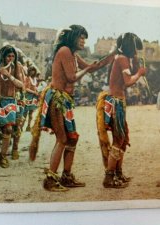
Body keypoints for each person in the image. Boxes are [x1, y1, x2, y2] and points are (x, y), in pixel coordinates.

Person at [29, 25, 114, 191]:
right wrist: (88, 68)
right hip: (57, 99)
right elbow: (71, 77)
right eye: (81, 37)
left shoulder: (73, 54)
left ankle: (66, 176)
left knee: (72, 138)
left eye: (85, 38)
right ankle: (50, 180)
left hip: (64, 101)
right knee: (62, 139)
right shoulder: (65, 51)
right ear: (73, 37)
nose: (83, 41)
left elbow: (93, 66)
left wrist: (112, 55)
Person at [96, 32, 146, 188]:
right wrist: (139, 73)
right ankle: (109, 177)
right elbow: (128, 81)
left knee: (122, 139)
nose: (136, 52)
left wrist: (136, 63)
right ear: (130, 47)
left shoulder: (122, 58)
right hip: (115, 102)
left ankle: (118, 173)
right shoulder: (122, 59)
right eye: (135, 49)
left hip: (118, 101)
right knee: (119, 140)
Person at [0, 45, 24, 168]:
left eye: (13, 56)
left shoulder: (17, 66)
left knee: (8, 129)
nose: (11, 59)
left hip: (9, 101)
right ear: (3, 56)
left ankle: (2, 156)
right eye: (8, 56)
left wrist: (8, 75)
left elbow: (21, 85)